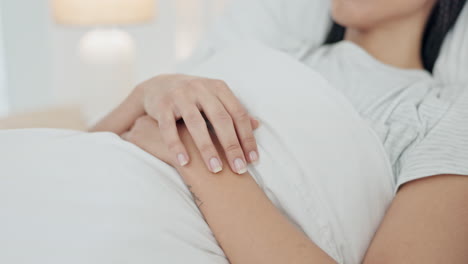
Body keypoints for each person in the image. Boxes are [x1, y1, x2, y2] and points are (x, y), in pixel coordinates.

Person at [92, 0, 468, 263]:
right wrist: (146, 93)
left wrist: (209, 169)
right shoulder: (256, 52)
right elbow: (82, 149)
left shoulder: (444, 114)